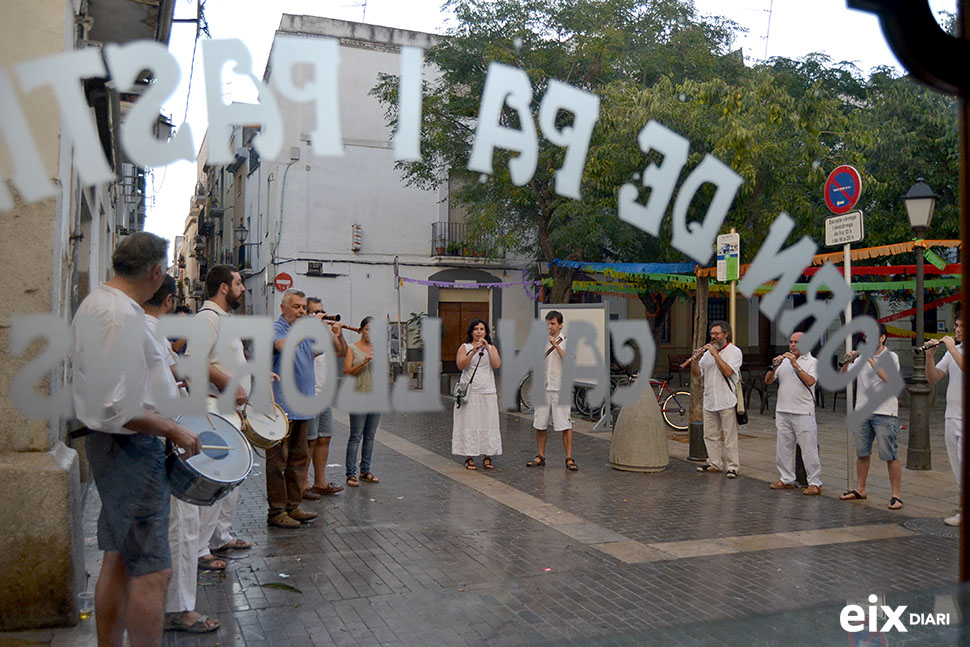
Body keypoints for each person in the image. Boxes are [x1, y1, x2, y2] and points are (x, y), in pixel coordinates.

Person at [71, 231, 202, 647]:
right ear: (157, 270)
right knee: (152, 570)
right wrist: (173, 428)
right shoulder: (120, 315)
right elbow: (117, 407)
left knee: (119, 560)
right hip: (130, 449)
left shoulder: (102, 303)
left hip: (117, 447)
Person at [143, 276, 219, 634]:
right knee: (182, 526)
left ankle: (172, 604)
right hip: (162, 440)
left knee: (178, 527)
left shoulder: (147, 330)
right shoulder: (147, 331)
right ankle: (177, 609)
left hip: (160, 438)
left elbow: (168, 368)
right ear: (171, 300)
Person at [191, 265, 253, 564]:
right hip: (214, 409)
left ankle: (221, 536)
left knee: (232, 479)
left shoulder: (223, 320)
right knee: (216, 479)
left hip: (229, 410)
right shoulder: (207, 319)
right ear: (224, 287)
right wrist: (230, 384)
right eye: (239, 283)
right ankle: (201, 550)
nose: (243, 287)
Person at [267, 289, 319, 528]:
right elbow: (280, 346)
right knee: (278, 462)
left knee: (298, 459)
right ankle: (277, 510)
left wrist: (336, 335)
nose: (301, 312)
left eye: (303, 308)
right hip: (281, 408)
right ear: (283, 308)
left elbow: (333, 351)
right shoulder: (277, 328)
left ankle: (293, 506)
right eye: (297, 307)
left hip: (302, 406)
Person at [839, 322, 903, 510]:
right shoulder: (860, 358)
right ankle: (860, 489)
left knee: (890, 454)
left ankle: (896, 495)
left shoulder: (891, 357)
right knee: (862, 452)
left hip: (885, 411)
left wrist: (870, 359)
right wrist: (847, 362)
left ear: (882, 338)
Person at [300, 297, 347, 500]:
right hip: (309, 396)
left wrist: (339, 334)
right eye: (316, 312)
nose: (322, 315)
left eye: (322, 311)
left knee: (324, 439)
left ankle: (320, 482)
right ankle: (303, 485)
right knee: (309, 442)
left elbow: (341, 352)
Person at [765, 331, 822, 495]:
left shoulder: (813, 362)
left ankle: (814, 482)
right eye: (791, 342)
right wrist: (774, 366)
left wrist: (795, 364)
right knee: (783, 447)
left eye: (796, 342)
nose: (793, 345)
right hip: (783, 410)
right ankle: (786, 478)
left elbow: (811, 381)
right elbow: (768, 380)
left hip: (803, 412)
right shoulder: (783, 362)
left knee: (808, 448)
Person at [926, 309, 964, 526]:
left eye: (962, 327)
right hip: (951, 417)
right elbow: (933, 378)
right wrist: (930, 356)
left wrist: (950, 347)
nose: (957, 330)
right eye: (956, 326)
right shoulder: (953, 352)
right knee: (956, 467)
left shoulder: (954, 351)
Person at [527, 310, 578, 471]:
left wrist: (555, 344)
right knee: (540, 424)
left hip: (560, 388)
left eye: (553, 323)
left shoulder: (566, 341)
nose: (550, 327)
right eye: (548, 323)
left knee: (565, 423)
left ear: (560, 325)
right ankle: (540, 455)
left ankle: (569, 457)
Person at [693, 320, 743, 479]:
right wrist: (695, 360)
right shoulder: (707, 353)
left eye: (716, 333)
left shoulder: (734, 352)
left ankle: (733, 466)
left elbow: (728, 371)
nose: (713, 336)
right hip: (709, 400)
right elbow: (697, 374)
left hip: (727, 400)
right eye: (712, 333)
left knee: (729, 436)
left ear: (726, 334)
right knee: (710, 435)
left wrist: (715, 355)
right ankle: (714, 463)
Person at [452, 319, 503, 470]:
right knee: (470, 424)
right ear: (471, 332)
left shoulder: (491, 348)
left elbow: (496, 364)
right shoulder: (465, 347)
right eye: (476, 329)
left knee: (487, 423)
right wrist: (473, 351)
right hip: (471, 393)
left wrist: (487, 348)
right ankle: (469, 456)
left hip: (487, 391)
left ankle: (488, 456)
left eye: (481, 329)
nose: (479, 331)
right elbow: (461, 365)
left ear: (486, 332)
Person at [344, 316, 382, 486]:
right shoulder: (352, 348)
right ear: (360, 330)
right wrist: (364, 362)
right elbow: (347, 371)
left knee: (370, 436)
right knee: (355, 436)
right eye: (367, 329)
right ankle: (350, 473)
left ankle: (365, 470)